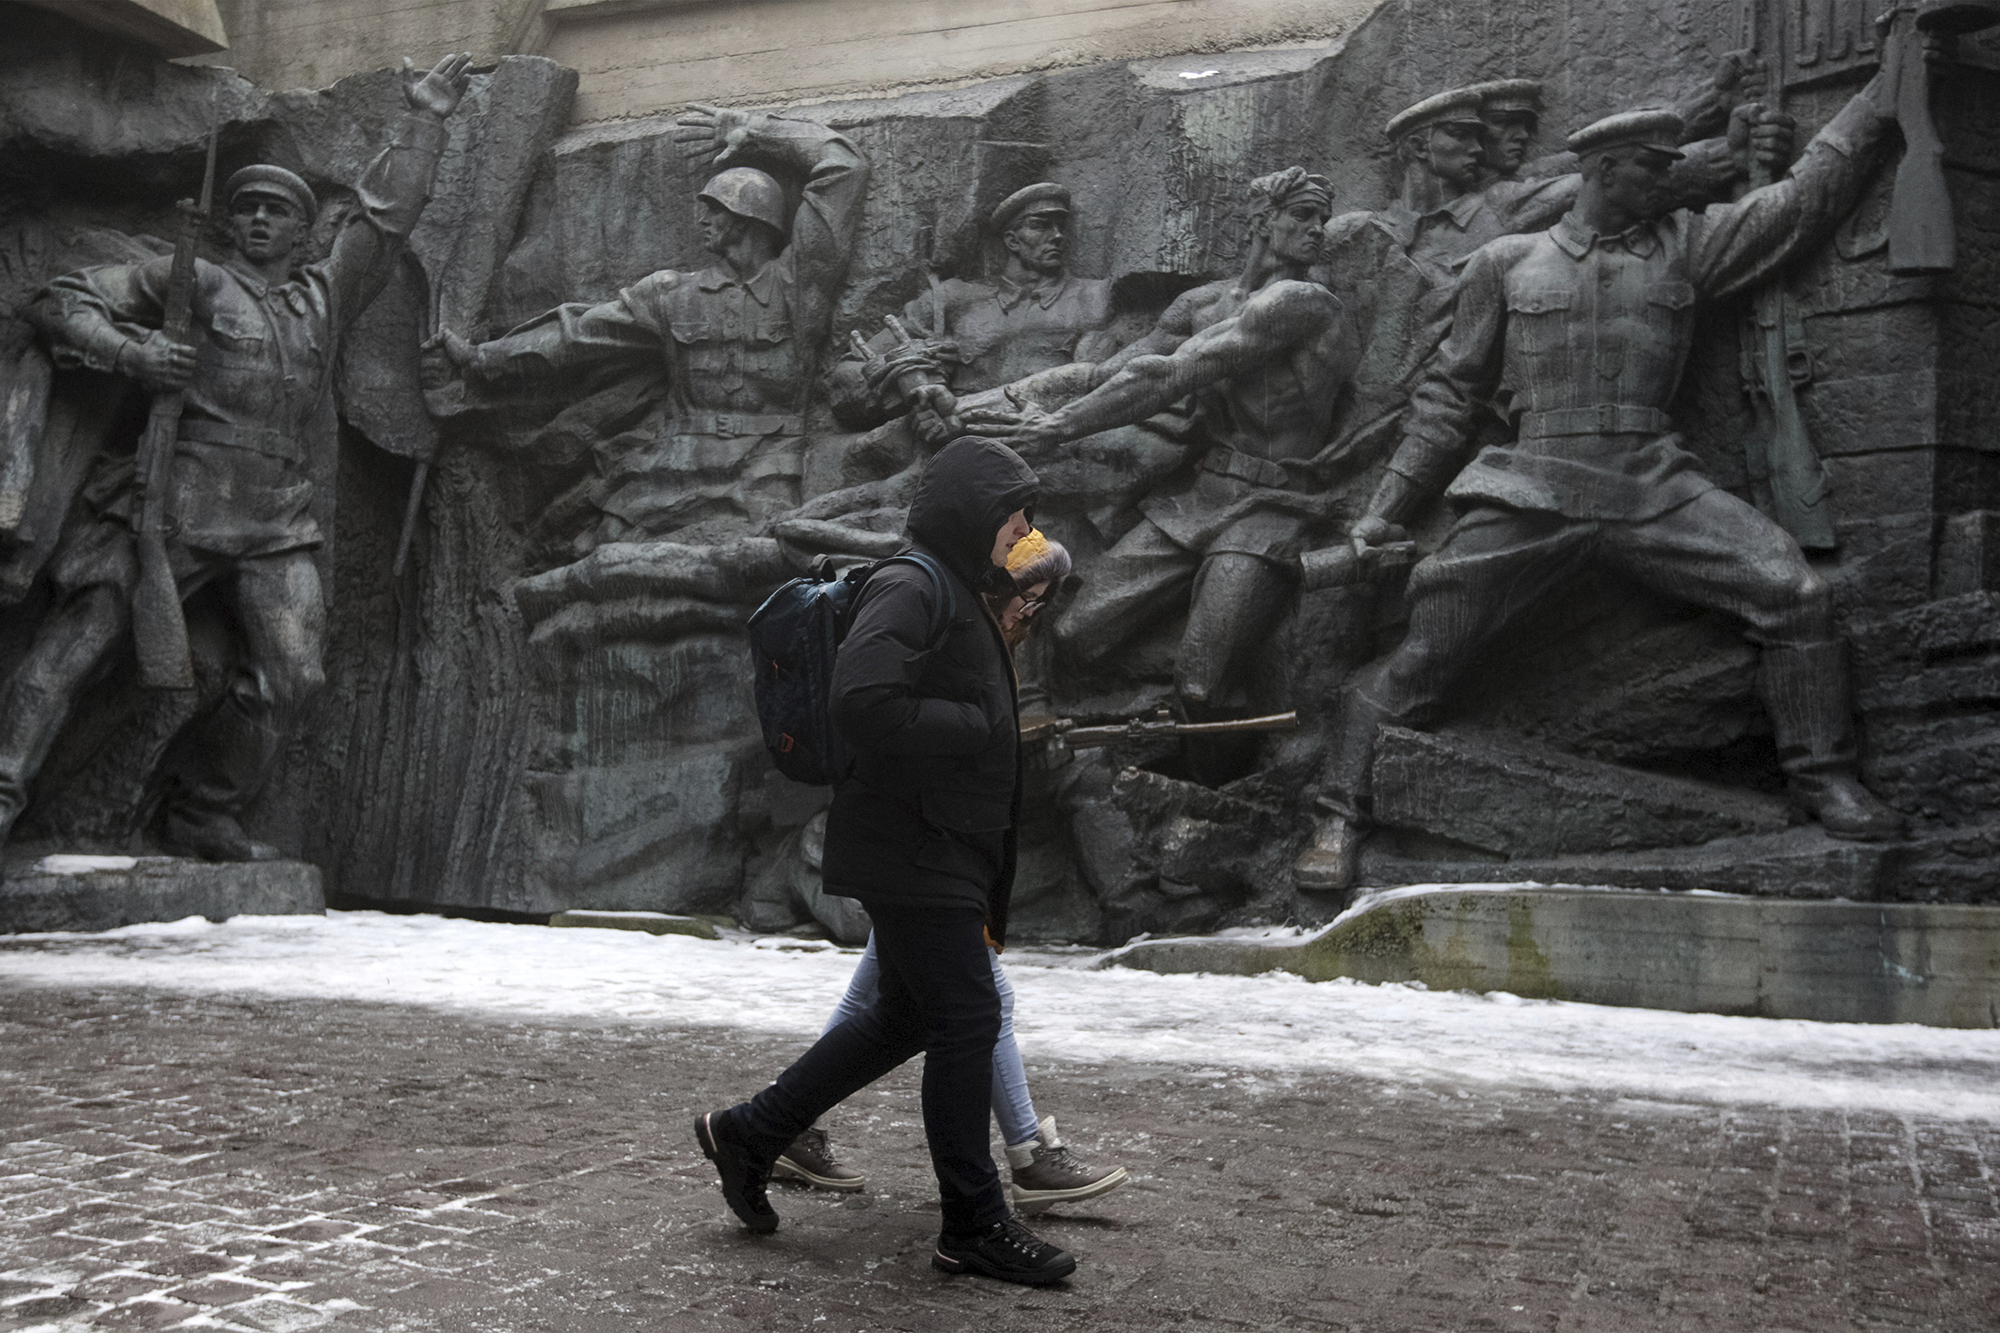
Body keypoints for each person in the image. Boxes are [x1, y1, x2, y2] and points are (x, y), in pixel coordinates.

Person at [1293, 81, 1908, 892]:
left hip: (1653, 481)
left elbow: (1796, 206)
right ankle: (1336, 812)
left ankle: (1825, 775)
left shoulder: (1688, 243)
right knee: (1426, 650)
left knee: (1794, 593)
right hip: (1532, 484)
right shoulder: (1506, 264)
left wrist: (1881, 94)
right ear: (1607, 171)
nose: (1672, 179)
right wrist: (1382, 514)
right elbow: (1446, 404)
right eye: (1655, 169)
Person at [0, 53, 474, 858]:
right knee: (75, 649)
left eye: (275, 211)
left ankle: (204, 810)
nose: (258, 219)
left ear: (299, 229)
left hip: (273, 518)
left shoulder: (322, 300)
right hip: (173, 498)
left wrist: (424, 119)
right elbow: (56, 299)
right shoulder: (195, 280)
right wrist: (130, 354)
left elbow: (384, 219)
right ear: (228, 221)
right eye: (246, 207)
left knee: (295, 676)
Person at [697, 437, 1079, 1287]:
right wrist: (975, 726)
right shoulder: (912, 582)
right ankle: (974, 1223)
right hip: (912, 844)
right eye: (1014, 514)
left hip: (936, 843)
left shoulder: (957, 590)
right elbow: (862, 698)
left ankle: (750, 1132)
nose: (1025, 529)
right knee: (968, 1019)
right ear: (973, 515)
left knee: (908, 1016)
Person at [775, 531, 1129, 1216]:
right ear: (1001, 587)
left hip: (931, 854)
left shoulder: (981, 634)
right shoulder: (943, 620)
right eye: (1031, 601)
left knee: (878, 1000)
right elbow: (912, 724)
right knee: (980, 998)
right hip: (916, 851)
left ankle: (783, 1124)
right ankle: (1027, 1154)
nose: (1036, 617)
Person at [968, 167, 1359, 729]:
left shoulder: (1303, 303)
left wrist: (1057, 428)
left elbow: (1170, 376)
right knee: (1077, 637)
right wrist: (985, 403)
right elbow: (1107, 372)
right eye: (1302, 214)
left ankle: (1217, 791)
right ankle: (1139, 723)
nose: (1318, 229)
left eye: (1322, 218)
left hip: (1276, 508)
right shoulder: (1202, 305)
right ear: (1261, 219)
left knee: (1200, 686)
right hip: (1202, 496)